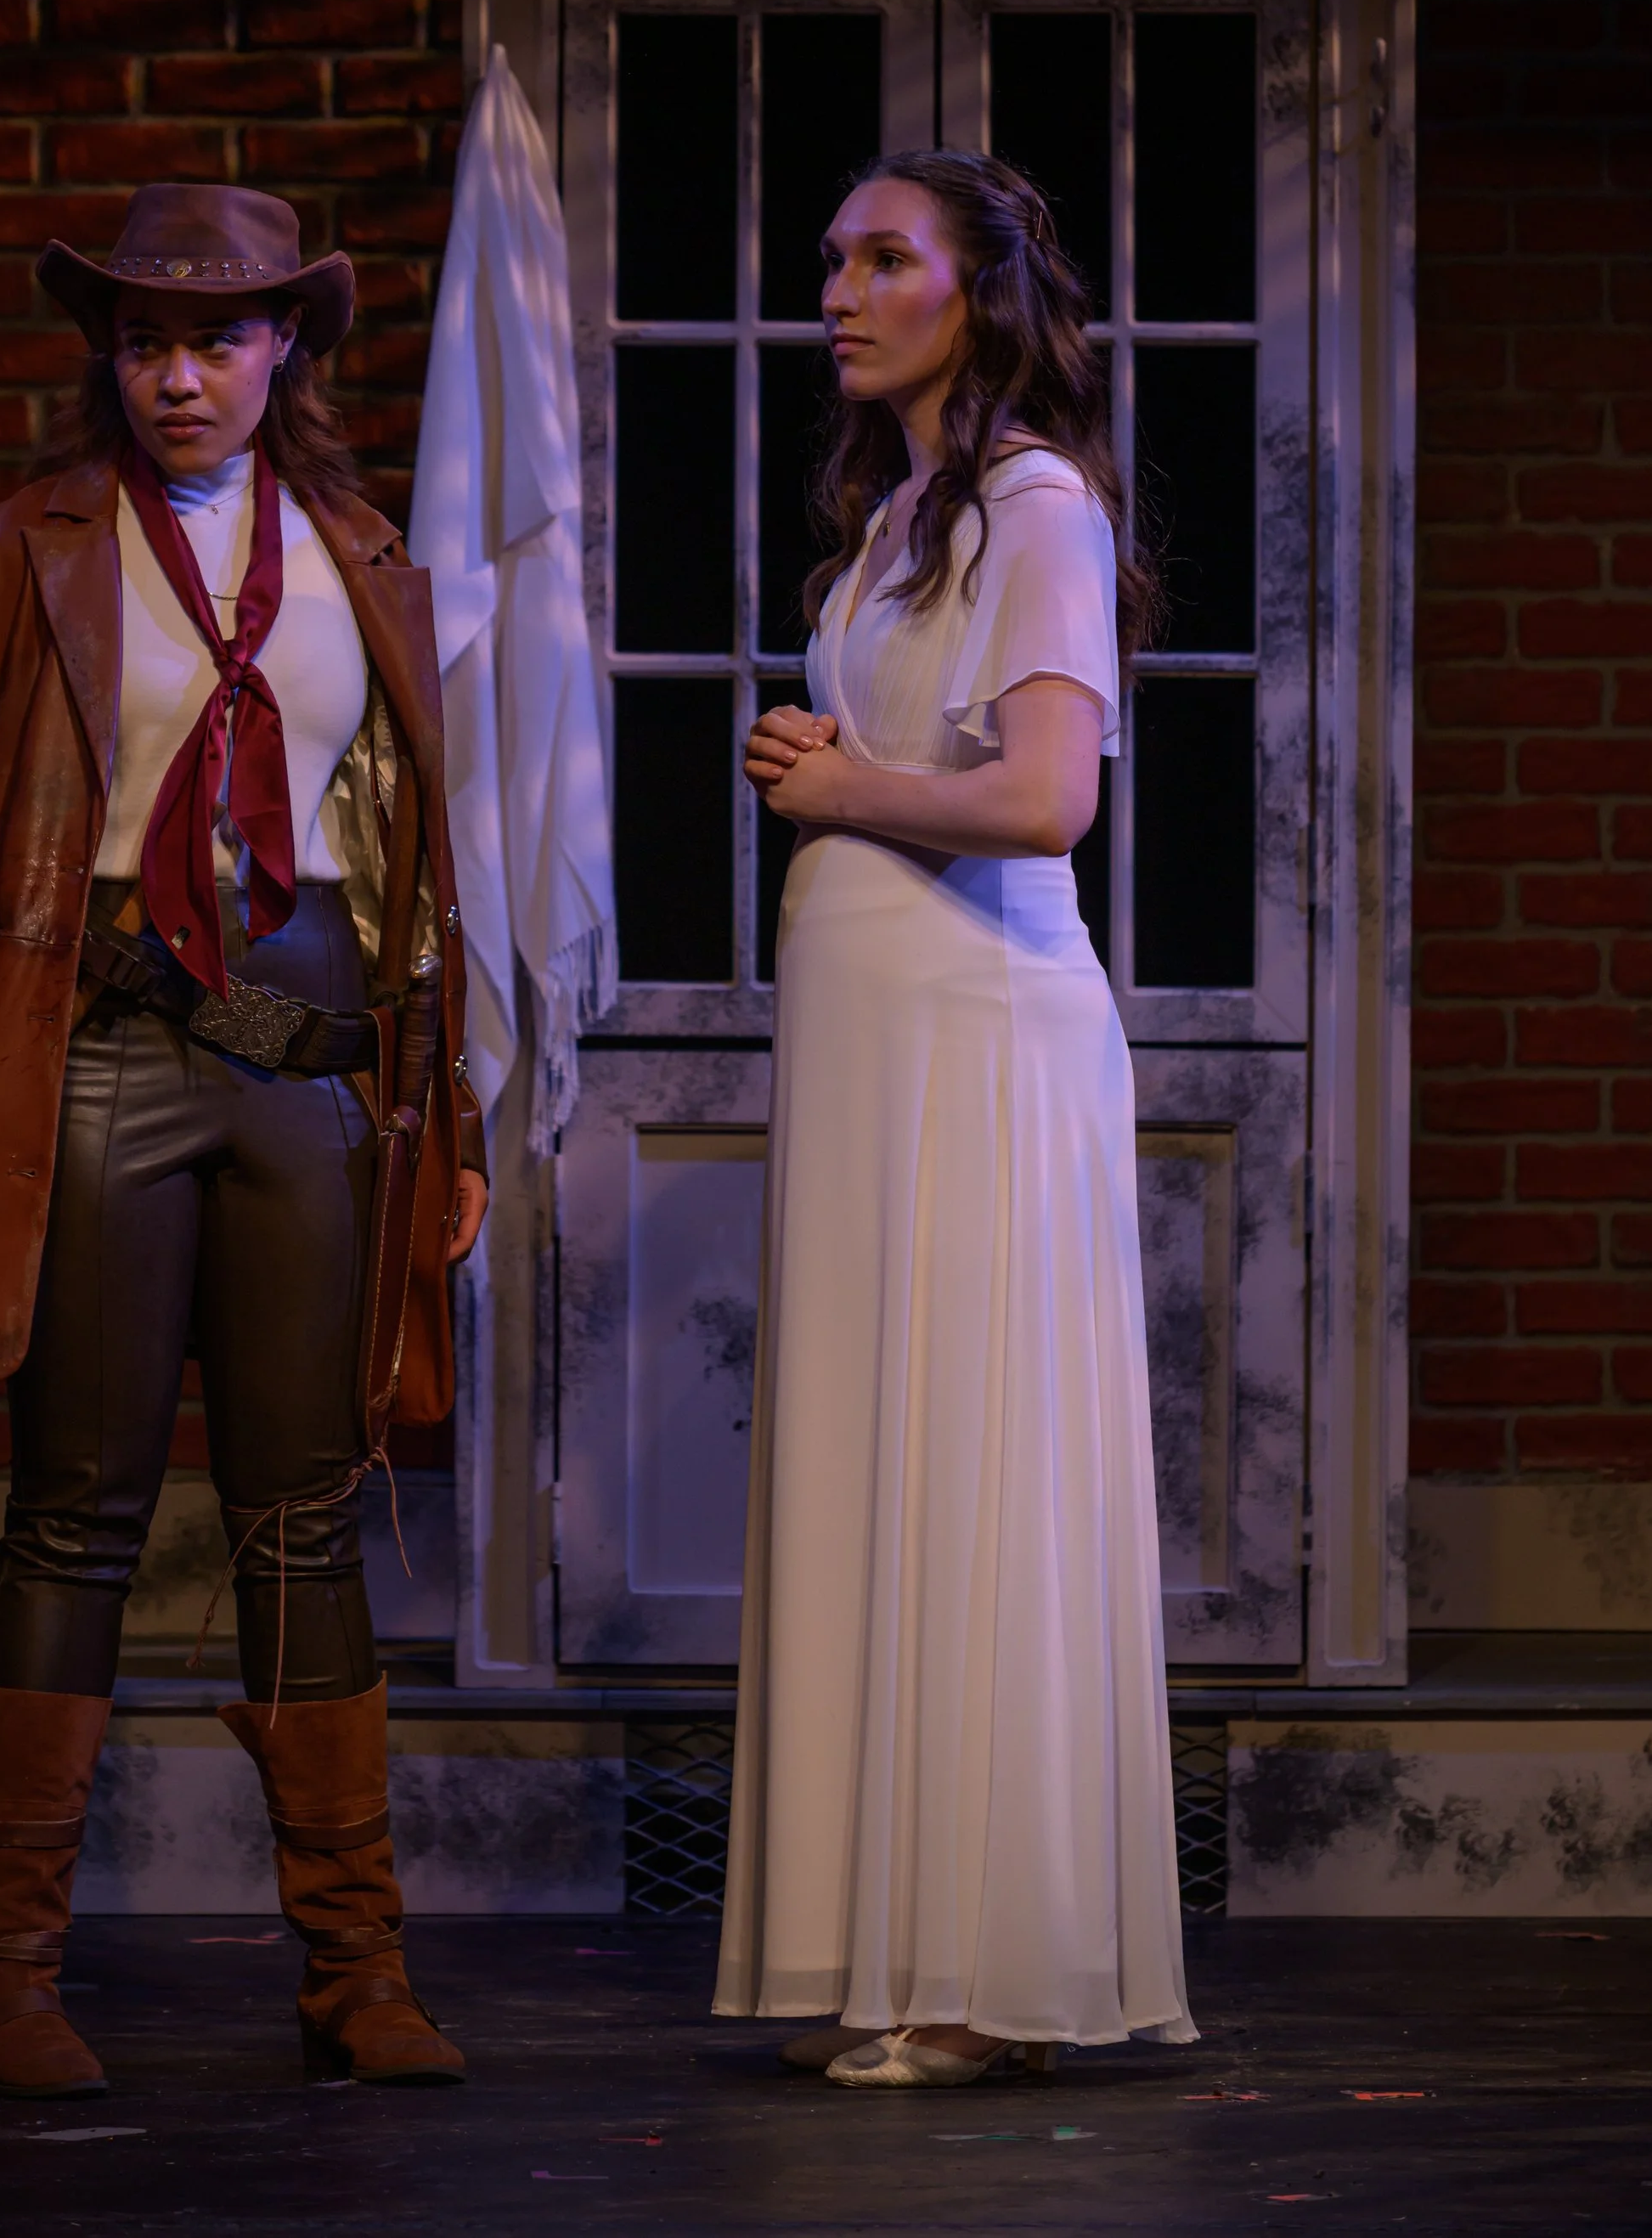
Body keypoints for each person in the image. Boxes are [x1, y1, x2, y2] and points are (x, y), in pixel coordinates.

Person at [0, 182, 487, 2098]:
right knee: (77, 1509)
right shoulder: (17, 556)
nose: (180, 375)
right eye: (144, 342)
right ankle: (4, 1977)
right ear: (108, 359)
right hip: (103, 1050)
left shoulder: (364, 558)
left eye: (217, 338)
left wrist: (449, 1113)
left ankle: (355, 1970)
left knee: (307, 1512)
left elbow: (421, 872)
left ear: (286, 346)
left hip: (309, 1067)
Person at [714, 149, 1196, 2087]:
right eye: (832, 259)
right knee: (881, 1459)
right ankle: (893, 1948)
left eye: (883, 258)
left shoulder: (1030, 501)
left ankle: (984, 1973)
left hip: (980, 1038)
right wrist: (831, 766)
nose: (838, 289)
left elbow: (1045, 800)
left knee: (972, 1464)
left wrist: (842, 791)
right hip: (877, 1045)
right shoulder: (903, 515)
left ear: (976, 292)